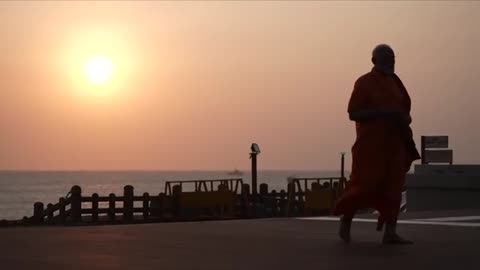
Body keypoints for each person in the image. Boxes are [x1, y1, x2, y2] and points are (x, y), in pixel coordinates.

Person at [334, 44, 420, 245]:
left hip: (395, 144)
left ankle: (391, 232)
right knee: (364, 185)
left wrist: (404, 118)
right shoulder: (364, 82)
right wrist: (383, 112)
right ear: (374, 61)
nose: (390, 61)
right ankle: (346, 219)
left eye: (392, 57)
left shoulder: (396, 83)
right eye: (385, 58)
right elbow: (353, 113)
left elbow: (404, 111)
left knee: (393, 187)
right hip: (371, 147)